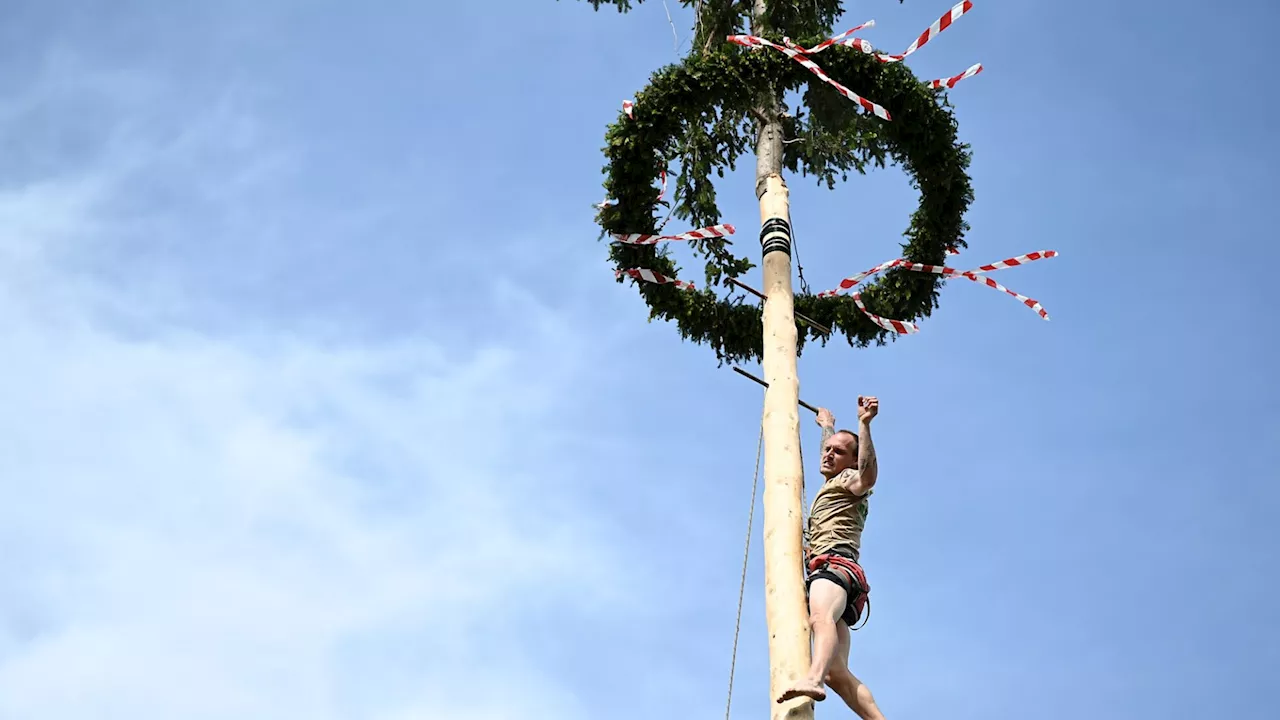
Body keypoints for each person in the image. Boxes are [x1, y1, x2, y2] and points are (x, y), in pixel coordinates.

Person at [777, 395, 887, 720]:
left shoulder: (851, 481)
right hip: (840, 577)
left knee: (819, 618)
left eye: (838, 451)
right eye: (828, 448)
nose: (828, 453)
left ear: (852, 461)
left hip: (833, 567)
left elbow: (867, 475)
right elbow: (832, 452)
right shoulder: (832, 481)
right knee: (837, 674)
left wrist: (863, 426)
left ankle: (812, 678)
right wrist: (828, 428)